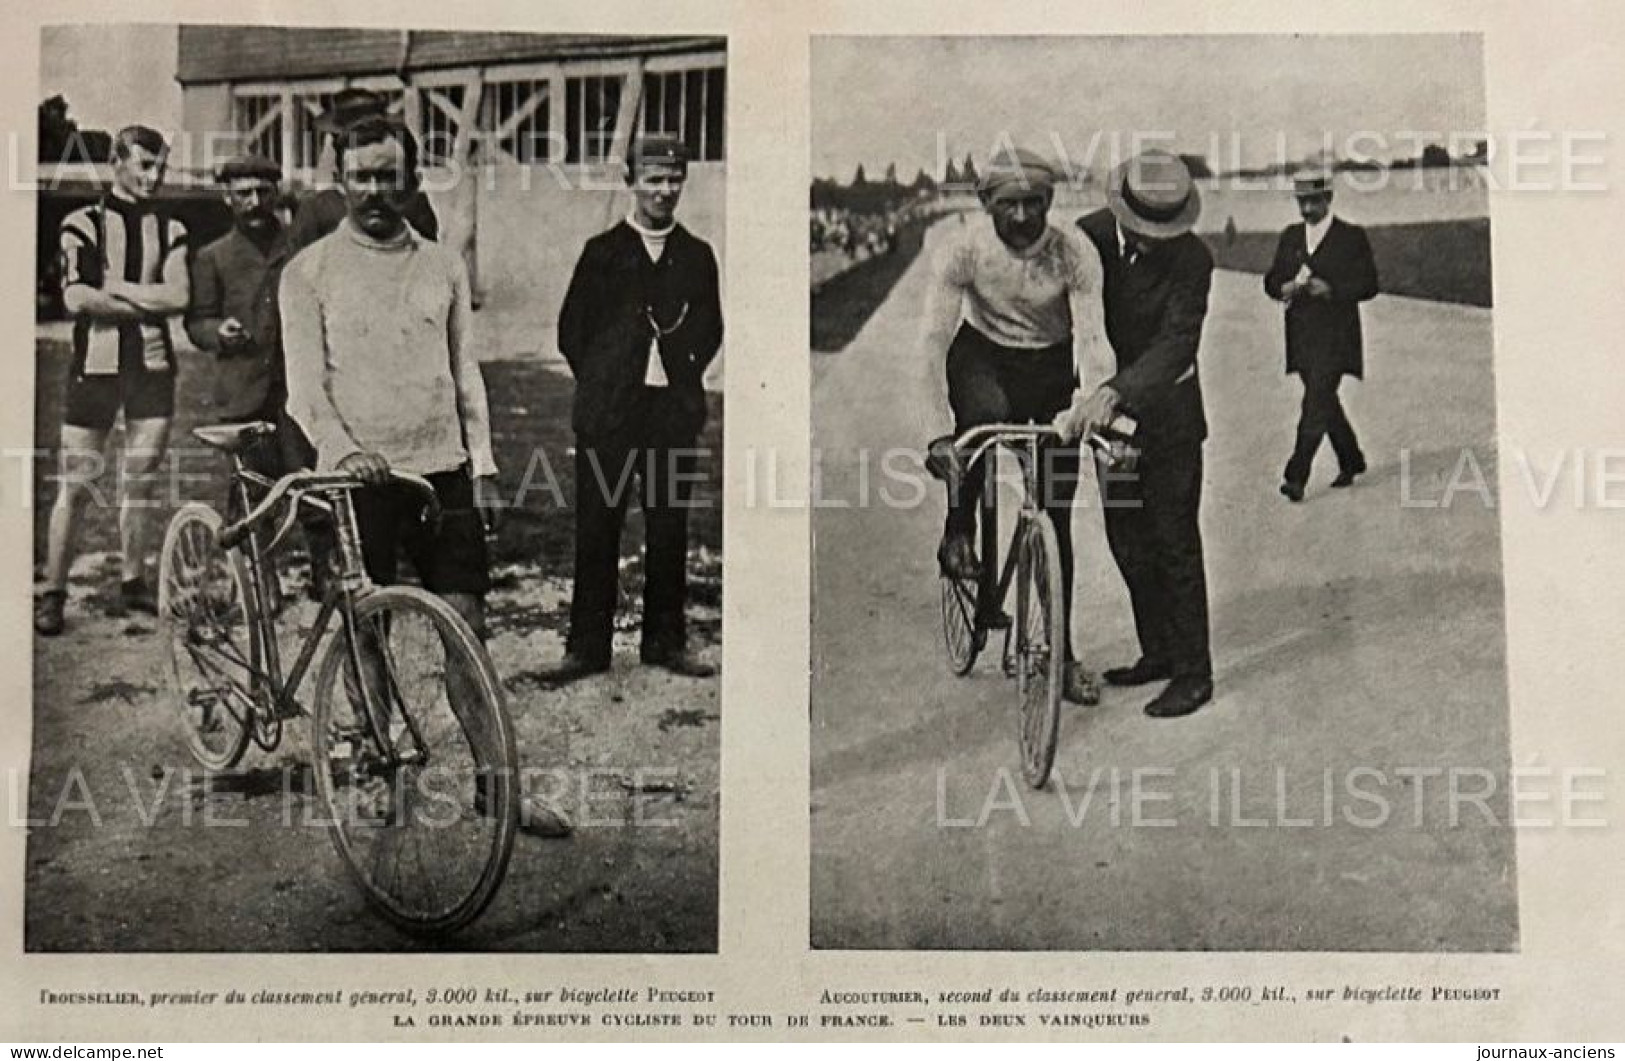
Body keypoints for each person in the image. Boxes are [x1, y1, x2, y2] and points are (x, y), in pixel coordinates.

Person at [280, 116, 566, 836]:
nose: (377, 189)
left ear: (411, 178)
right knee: (366, 629)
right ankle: (381, 771)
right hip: (356, 482)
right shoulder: (308, 271)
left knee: (465, 628)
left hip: (441, 473)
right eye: (363, 174)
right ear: (340, 176)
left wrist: (486, 465)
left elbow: (466, 373)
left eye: (390, 175)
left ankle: (495, 787)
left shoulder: (442, 263)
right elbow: (304, 391)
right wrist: (343, 449)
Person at [917, 146, 1114, 707]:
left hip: (1050, 363)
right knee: (979, 426)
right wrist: (938, 432)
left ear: (1051, 202)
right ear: (986, 204)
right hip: (984, 356)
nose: (1025, 217)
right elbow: (933, 340)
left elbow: (1093, 338)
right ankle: (958, 532)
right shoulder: (964, 250)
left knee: (1056, 512)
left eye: (1036, 204)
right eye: (1011, 206)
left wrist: (1092, 403)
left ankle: (1063, 653)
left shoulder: (1075, 249)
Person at [543, 135, 724, 683]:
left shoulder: (696, 255)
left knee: (668, 525)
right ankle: (588, 647)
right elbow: (572, 331)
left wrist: (680, 370)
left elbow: (711, 328)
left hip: (671, 416)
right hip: (609, 417)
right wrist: (606, 382)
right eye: (653, 179)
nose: (663, 190)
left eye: (673, 180)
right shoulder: (603, 253)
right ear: (631, 181)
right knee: (598, 525)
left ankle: (665, 642)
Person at [1060, 150, 1215, 719]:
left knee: (1174, 540)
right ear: (1122, 211)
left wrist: (1116, 391)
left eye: (1163, 230)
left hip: (1168, 426)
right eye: (1143, 228)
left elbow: (1178, 343)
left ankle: (1195, 674)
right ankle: (1159, 651)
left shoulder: (1195, 259)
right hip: (1111, 436)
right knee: (1127, 536)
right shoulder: (1087, 238)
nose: (1152, 240)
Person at [36, 125, 189, 636]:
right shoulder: (82, 222)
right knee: (77, 485)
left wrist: (117, 288)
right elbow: (77, 299)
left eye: (160, 166)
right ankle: (54, 592)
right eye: (144, 164)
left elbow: (180, 298)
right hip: (95, 370)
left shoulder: (171, 228)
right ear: (116, 162)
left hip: (152, 370)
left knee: (140, 481)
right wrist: (147, 297)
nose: (154, 176)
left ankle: (133, 583)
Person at [1264, 170, 1380, 501]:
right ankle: (1351, 458)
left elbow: (1370, 284)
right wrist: (1282, 287)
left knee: (1314, 403)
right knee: (1324, 401)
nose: (1307, 208)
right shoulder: (1290, 236)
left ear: (1328, 199)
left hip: (1336, 335)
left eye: (1314, 200)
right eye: (1302, 201)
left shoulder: (1351, 236)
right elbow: (1272, 279)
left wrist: (1332, 290)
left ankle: (1296, 476)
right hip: (1301, 336)